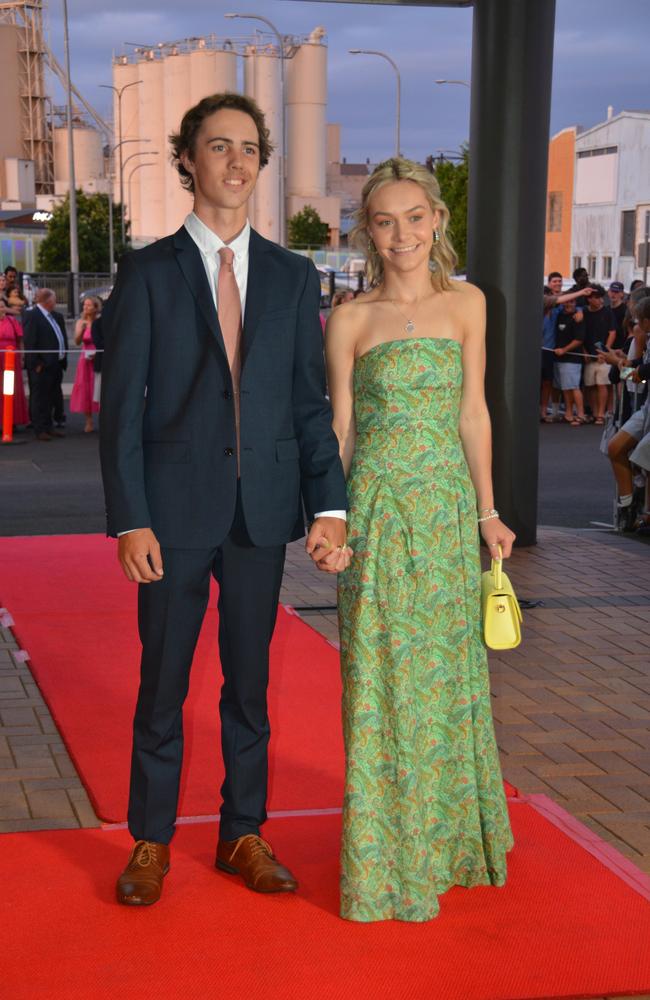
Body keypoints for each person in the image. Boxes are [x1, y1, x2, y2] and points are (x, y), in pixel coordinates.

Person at [100, 92, 349, 908]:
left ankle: (242, 831)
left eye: (250, 149)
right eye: (219, 147)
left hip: (261, 513)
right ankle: (150, 840)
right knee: (163, 683)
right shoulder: (146, 271)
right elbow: (122, 409)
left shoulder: (291, 275)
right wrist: (130, 516)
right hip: (169, 517)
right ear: (188, 160)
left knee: (249, 686)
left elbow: (308, 405)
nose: (237, 163)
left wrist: (329, 506)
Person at [326, 156, 515, 923]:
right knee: (379, 682)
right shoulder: (349, 318)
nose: (400, 233)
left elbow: (474, 412)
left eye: (413, 217)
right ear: (366, 230)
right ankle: (385, 857)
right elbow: (340, 426)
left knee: (445, 683)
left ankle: (443, 843)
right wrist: (330, 518)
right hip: (374, 514)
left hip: (443, 519)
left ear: (437, 220)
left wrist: (487, 512)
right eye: (383, 219)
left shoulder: (468, 304)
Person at [601, 293, 650, 530]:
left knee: (643, 456)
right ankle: (628, 502)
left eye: (639, 321)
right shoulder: (644, 341)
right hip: (646, 407)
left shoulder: (642, 340)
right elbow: (637, 374)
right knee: (615, 447)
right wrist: (624, 361)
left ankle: (642, 510)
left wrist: (617, 362)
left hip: (643, 405)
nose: (636, 327)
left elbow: (636, 377)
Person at [540, 274, 591, 422]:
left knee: (554, 383)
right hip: (543, 352)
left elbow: (567, 301)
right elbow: (561, 300)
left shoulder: (559, 311)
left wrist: (581, 308)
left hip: (557, 353)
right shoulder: (553, 310)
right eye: (554, 282)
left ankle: (577, 413)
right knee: (555, 385)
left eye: (559, 281)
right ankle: (556, 411)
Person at [22, 289, 68, 441]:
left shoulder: (55, 316)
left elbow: (60, 336)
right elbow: (30, 341)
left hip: (56, 364)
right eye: (54, 299)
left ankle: (49, 426)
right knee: (39, 397)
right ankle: (39, 428)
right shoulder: (33, 316)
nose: (56, 303)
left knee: (51, 396)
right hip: (41, 365)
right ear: (47, 300)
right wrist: (37, 363)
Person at [582, 285, 616, 425]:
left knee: (602, 384)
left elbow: (612, 332)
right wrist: (584, 352)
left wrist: (606, 352)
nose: (599, 300)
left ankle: (601, 414)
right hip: (588, 355)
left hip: (603, 356)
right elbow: (580, 334)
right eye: (595, 298)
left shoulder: (607, 312)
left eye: (600, 297)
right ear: (589, 299)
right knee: (590, 385)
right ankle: (595, 412)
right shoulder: (584, 313)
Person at [553, 298, 586, 425]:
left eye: (572, 302)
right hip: (558, 358)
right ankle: (568, 413)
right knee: (566, 388)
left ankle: (581, 414)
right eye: (567, 302)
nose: (569, 304)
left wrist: (564, 350)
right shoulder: (559, 315)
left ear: (576, 303)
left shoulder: (578, 318)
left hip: (572, 359)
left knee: (574, 387)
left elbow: (579, 339)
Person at [70, 295, 100, 432]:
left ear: (96, 308)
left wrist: (98, 354)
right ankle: (88, 421)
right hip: (85, 357)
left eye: (89, 305)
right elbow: (76, 342)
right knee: (85, 389)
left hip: (98, 356)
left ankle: (102, 419)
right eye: (84, 305)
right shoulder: (80, 322)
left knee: (99, 388)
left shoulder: (100, 322)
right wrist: (81, 330)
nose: (85, 307)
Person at [0, 297, 29, 430]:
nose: (1, 309)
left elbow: (20, 340)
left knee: (11, 389)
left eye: (2, 306)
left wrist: (22, 356)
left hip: (11, 360)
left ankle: (12, 420)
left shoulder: (12, 321)